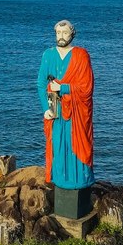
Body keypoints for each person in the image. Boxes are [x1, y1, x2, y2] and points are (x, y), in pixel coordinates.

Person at [37, 20, 94, 191]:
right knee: (58, 144)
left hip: (76, 113)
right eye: (58, 33)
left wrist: (63, 87)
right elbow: (40, 83)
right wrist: (46, 109)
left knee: (76, 144)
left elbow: (87, 87)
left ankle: (79, 181)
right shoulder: (48, 55)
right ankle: (60, 180)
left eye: (65, 33)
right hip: (56, 110)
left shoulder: (81, 55)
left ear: (72, 34)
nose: (61, 37)